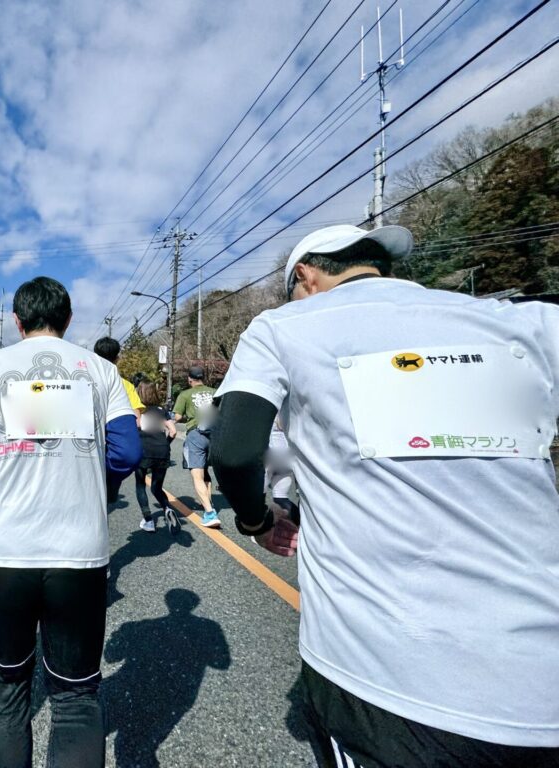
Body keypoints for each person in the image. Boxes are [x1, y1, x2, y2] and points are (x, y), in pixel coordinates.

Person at [211, 223, 559, 767]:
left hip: (380, 665)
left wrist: (257, 520)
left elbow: (232, 450)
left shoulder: (284, 327)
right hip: (540, 677)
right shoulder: (521, 321)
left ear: (305, 276)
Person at [0, 277, 141, 768]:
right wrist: (90, 474)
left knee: (7, 685)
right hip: (79, 552)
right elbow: (128, 451)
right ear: (67, 321)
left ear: (18, 322)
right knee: (75, 695)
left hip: (3, 552)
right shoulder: (99, 371)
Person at [93, 336, 144, 509]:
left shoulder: (85, 380)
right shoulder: (125, 385)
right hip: (115, 447)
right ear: (117, 358)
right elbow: (137, 419)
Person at [173, 366, 220, 527]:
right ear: (203, 378)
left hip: (196, 435)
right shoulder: (215, 392)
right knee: (206, 471)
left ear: (189, 379)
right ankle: (209, 503)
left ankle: (209, 513)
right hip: (216, 435)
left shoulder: (185, 394)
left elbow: (178, 416)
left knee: (197, 474)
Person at [133, 381, 178, 534]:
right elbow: (173, 432)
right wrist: (166, 444)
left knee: (140, 485)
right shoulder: (161, 410)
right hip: (162, 451)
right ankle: (167, 508)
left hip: (143, 451)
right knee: (156, 487)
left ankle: (148, 521)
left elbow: (135, 427)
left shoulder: (138, 410)